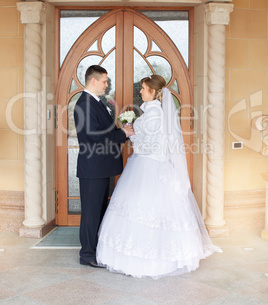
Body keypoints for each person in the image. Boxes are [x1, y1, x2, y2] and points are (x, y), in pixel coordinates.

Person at [96, 74, 221, 278]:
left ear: (154, 92)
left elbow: (153, 145)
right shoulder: (152, 113)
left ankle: (148, 257)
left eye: (144, 89)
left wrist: (131, 134)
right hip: (146, 164)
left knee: (147, 209)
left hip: (148, 166)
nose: (141, 91)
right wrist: (133, 132)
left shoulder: (154, 115)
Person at [74, 65, 134, 268]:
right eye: (104, 81)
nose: (107, 85)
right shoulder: (84, 104)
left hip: (101, 167)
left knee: (99, 210)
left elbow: (103, 129)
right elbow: (92, 136)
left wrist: (121, 130)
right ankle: (87, 255)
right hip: (93, 168)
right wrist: (122, 134)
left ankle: (96, 250)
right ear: (93, 81)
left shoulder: (97, 102)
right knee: (91, 213)